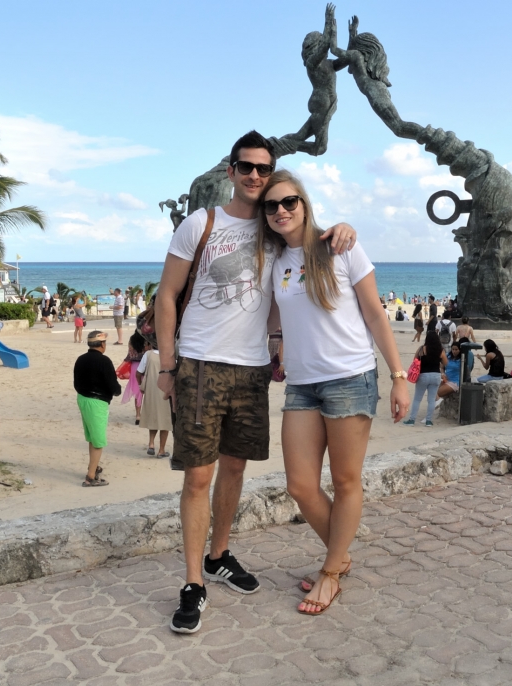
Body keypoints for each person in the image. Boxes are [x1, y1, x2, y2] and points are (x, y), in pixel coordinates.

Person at [155, 131, 356, 634]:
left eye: (263, 169)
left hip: (251, 370)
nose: (254, 176)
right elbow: (166, 295)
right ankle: (192, 582)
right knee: (198, 477)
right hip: (200, 363)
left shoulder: (273, 227)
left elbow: (308, 235)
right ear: (231, 171)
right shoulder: (200, 223)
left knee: (235, 470)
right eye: (246, 167)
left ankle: (219, 555)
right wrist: (166, 364)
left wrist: (343, 229)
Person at [259, 170, 409, 615]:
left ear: (304, 203)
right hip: (303, 384)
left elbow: (375, 314)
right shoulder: (275, 262)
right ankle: (339, 556)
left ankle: (329, 574)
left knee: (345, 481)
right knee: (301, 486)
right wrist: (276, 346)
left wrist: (399, 375)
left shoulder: (339, 246)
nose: (281, 210)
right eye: (272, 206)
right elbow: (273, 319)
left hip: (350, 378)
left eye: (289, 202)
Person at [73, 331, 121, 487]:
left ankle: (93, 466)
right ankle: (91, 476)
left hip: (82, 398)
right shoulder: (104, 361)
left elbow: (76, 383)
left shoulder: (80, 359)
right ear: (102, 344)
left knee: (92, 437)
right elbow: (113, 386)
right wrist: (117, 391)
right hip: (97, 402)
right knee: (98, 440)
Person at [404, 328, 448, 426]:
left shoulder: (421, 349)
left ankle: (412, 420)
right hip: (436, 375)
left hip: (423, 375)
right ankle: (428, 421)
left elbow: (415, 360)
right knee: (431, 399)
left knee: (417, 399)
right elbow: (445, 363)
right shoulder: (440, 350)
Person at [137, 339, 173, 457]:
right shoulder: (171, 355)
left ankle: (151, 444)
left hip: (151, 389)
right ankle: (161, 450)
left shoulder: (148, 355)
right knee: (165, 420)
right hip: (166, 390)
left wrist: (140, 384)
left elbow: (139, 372)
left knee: (153, 417)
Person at [121, 332, 146, 425]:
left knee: (138, 392)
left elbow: (129, 355)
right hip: (146, 365)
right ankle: (146, 414)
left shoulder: (132, 339)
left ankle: (138, 415)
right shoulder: (147, 338)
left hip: (135, 366)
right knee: (148, 391)